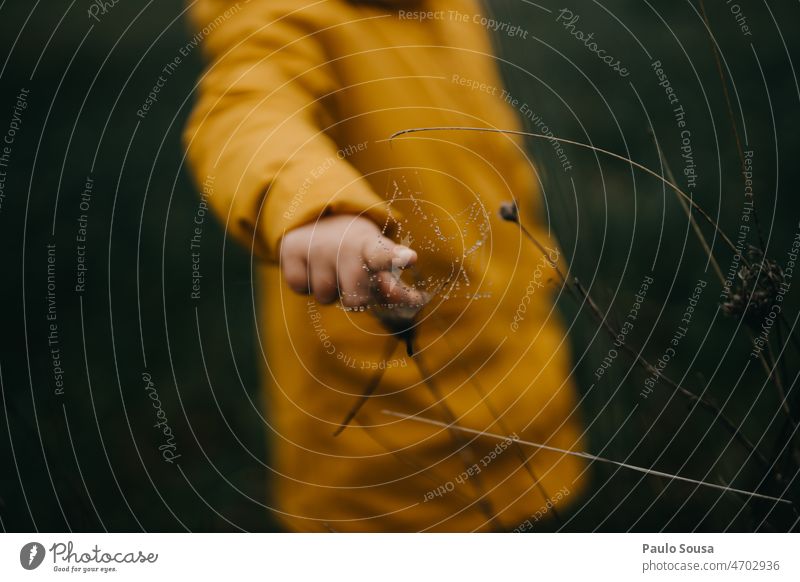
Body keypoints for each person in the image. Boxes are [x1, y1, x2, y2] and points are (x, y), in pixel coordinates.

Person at [184, 0, 585, 532]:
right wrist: (318, 207)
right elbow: (246, 115)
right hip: (383, 439)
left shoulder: (449, 7)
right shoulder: (278, 16)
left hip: (519, 371)